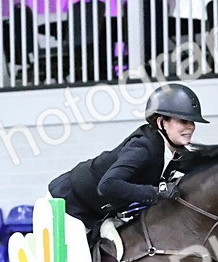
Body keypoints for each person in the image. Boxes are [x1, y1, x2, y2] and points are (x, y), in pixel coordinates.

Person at [48, 83, 209, 234]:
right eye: (183, 121)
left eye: (192, 122)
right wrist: (157, 192)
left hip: (99, 213)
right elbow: (108, 185)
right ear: (161, 122)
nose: (190, 127)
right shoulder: (142, 147)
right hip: (67, 204)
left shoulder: (176, 153)